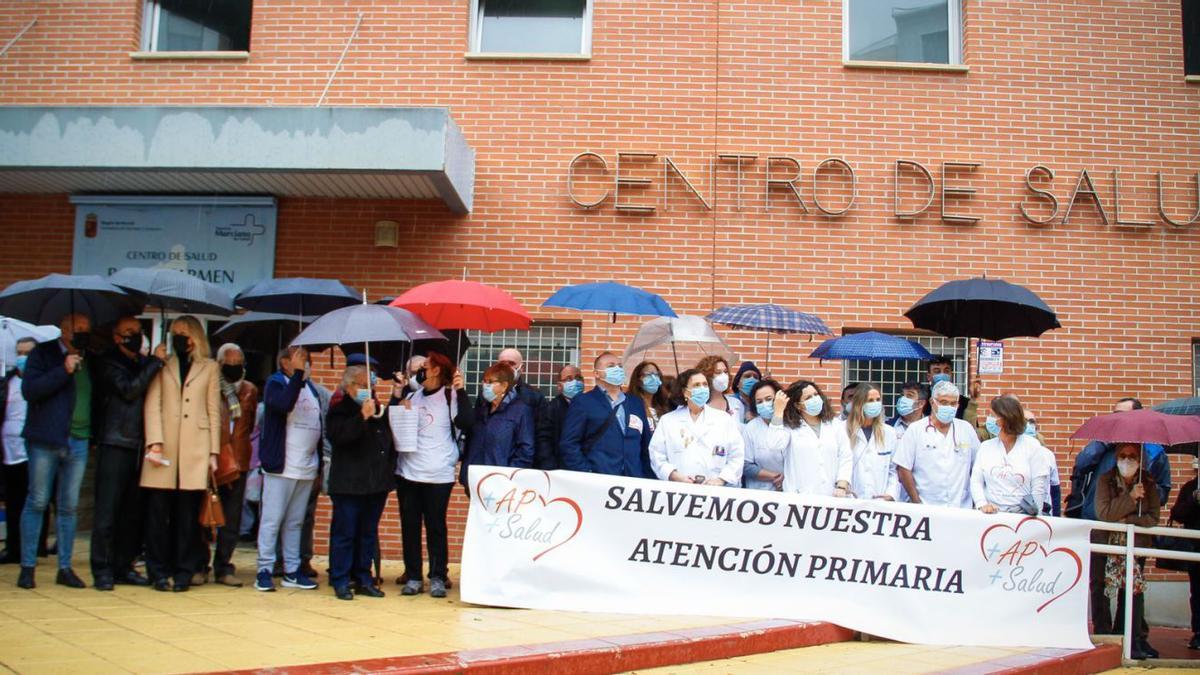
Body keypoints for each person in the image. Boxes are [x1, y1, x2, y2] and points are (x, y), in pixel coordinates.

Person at [1066, 396, 1171, 635]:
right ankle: (1103, 631)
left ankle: (1127, 633)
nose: (1116, 418)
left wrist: (1145, 498)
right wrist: (1103, 443)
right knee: (1098, 582)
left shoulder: (1153, 452)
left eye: (1122, 414)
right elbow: (1081, 463)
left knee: (1131, 584)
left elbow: (1163, 488)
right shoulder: (1104, 448)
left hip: (1135, 531)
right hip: (1100, 525)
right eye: (1114, 413)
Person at [141, 316, 221, 593]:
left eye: (184, 333)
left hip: (195, 447)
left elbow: (213, 410)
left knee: (187, 516)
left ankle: (185, 570)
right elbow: (153, 405)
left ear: (195, 337)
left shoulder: (210, 368)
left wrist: (213, 450)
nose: (179, 338)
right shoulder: (163, 364)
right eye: (175, 332)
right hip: (163, 448)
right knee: (157, 514)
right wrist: (154, 441)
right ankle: (158, 571)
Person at [17, 313, 95, 590]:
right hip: (46, 439)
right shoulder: (43, 354)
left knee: (69, 507)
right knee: (37, 501)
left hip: (79, 440)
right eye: (78, 329)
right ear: (64, 330)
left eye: (87, 329)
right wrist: (63, 369)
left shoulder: (90, 358)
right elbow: (31, 391)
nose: (83, 333)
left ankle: (65, 567)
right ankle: (27, 566)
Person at [90, 317, 165, 590]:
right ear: (116, 336)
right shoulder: (108, 362)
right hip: (115, 441)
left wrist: (152, 362)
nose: (135, 336)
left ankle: (123, 566)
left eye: (138, 331)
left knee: (131, 514)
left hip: (138, 445)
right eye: (129, 332)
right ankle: (102, 569)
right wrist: (155, 363)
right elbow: (130, 389)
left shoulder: (140, 362)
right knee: (107, 512)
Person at [399, 351, 471, 598]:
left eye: (425, 367)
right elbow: (396, 424)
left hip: (439, 473)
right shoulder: (413, 396)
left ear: (437, 370)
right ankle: (413, 575)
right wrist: (397, 399)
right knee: (410, 526)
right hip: (409, 472)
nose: (421, 371)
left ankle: (438, 575)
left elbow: (467, 422)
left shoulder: (450, 396)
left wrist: (461, 392)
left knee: (436, 526)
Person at [325, 364, 395, 601]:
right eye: (362, 385)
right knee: (345, 533)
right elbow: (340, 437)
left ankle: (364, 577)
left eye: (371, 385)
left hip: (374, 483)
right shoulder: (339, 409)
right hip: (348, 484)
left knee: (367, 533)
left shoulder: (378, 410)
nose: (368, 389)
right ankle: (341, 578)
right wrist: (361, 417)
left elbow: (386, 441)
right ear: (349, 386)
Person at [255, 346, 322, 593]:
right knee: (272, 520)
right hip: (281, 467)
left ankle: (292, 570)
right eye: (302, 359)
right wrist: (295, 376)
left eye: (308, 360)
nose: (307, 364)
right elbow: (283, 405)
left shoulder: (311, 388)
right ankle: (265, 568)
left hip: (305, 468)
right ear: (285, 361)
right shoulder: (276, 383)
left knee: (295, 522)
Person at [1095, 442, 1161, 660]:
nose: (1127, 460)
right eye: (1122, 455)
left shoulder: (1148, 482)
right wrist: (1130, 498)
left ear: (1140, 459)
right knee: (1101, 589)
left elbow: (1152, 518)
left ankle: (1129, 639)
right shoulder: (1106, 479)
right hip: (1106, 543)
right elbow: (1104, 514)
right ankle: (1103, 637)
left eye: (1132, 456)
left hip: (1135, 545)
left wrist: (1128, 519)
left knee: (1132, 591)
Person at [209, 343, 259, 587]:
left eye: (238, 364)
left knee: (232, 517)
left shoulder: (249, 390)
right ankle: (198, 563)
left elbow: (248, 426)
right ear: (219, 364)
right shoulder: (209, 388)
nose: (234, 368)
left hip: (238, 460)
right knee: (206, 514)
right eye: (229, 364)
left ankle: (223, 566)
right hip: (212, 458)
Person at [559, 352, 654, 478]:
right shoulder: (583, 402)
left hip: (633, 481)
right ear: (596, 373)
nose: (617, 369)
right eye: (611, 366)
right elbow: (569, 444)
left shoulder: (635, 402)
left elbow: (645, 445)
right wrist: (586, 472)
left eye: (620, 366)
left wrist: (647, 477)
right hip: (599, 482)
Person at [648, 368, 744, 485]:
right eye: (696, 385)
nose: (702, 389)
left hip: (716, 492)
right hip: (679, 490)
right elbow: (657, 455)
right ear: (685, 391)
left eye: (705, 384)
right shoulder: (668, 421)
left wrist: (721, 479)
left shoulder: (724, 419)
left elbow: (737, 455)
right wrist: (675, 476)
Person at [893, 379, 980, 507]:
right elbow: (903, 469)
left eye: (953, 403)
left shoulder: (966, 429)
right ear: (932, 402)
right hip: (926, 507)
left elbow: (978, 466)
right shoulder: (916, 429)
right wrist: (916, 501)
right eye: (944, 402)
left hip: (961, 508)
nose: (949, 407)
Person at [970, 396, 1049, 514]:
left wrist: (1035, 515)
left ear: (1006, 419)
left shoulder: (1032, 446)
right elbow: (976, 481)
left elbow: (1039, 486)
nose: (990, 419)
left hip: (1023, 516)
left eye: (993, 415)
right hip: (991, 515)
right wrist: (982, 504)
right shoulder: (986, 447)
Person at [773, 380, 851, 497]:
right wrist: (778, 411)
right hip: (799, 497)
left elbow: (846, 456)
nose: (815, 399)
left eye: (816, 395)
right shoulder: (789, 427)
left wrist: (841, 485)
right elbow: (775, 443)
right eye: (808, 397)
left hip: (832, 495)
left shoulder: (834, 424)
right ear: (798, 405)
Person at [1, 338, 36, 565]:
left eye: (27, 352)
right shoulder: (8, 382)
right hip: (8, 450)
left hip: (32, 448)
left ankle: (33, 548)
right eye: (19, 352)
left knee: (32, 500)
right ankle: (13, 547)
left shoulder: (40, 381)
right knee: (12, 500)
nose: (22, 357)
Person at [463, 362, 534, 472]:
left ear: (504, 386)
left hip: (501, 480)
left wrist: (509, 474)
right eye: (484, 381)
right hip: (475, 477)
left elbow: (526, 449)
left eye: (490, 382)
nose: (485, 386)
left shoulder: (520, 410)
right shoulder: (482, 408)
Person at [845, 384, 899, 500]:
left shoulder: (889, 432)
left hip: (880, 502)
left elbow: (894, 469)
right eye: (870, 400)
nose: (875, 403)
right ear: (859, 403)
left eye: (878, 400)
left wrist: (890, 494)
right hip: (849, 501)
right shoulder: (842, 430)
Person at [1169, 472, 1200, 650]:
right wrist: (1193, 501)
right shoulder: (1191, 487)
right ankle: (1198, 633)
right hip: (1195, 549)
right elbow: (1177, 514)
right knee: (1197, 593)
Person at [534, 364, 582, 470]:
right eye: (569, 379)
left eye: (578, 378)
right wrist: (551, 469)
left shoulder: (590, 406)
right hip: (558, 470)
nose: (575, 382)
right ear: (559, 386)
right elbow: (543, 441)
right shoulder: (550, 409)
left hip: (584, 469)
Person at [740, 379, 785, 490]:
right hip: (760, 492)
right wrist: (775, 476)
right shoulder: (751, 427)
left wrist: (787, 477)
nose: (764, 404)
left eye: (769, 399)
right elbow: (745, 465)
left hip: (790, 489)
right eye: (759, 401)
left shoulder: (791, 425)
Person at [922, 355, 980, 421]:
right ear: (928, 376)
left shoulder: (964, 402)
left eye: (946, 371)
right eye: (937, 371)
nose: (942, 374)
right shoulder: (921, 400)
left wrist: (973, 399)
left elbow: (972, 428)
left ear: (951, 374)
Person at [497, 347, 545, 418]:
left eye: (511, 363)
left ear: (521, 368)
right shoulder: (487, 394)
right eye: (502, 364)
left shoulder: (535, 396)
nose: (506, 367)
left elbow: (542, 426)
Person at [694, 355, 743, 421]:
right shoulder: (697, 406)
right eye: (718, 372)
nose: (724, 376)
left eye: (725, 372)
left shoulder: (736, 404)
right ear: (707, 376)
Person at [629, 361, 670, 432]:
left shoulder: (664, 406)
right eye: (648, 374)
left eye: (656, 374)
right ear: (638, 379)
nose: (653, 378)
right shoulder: (631, 405)